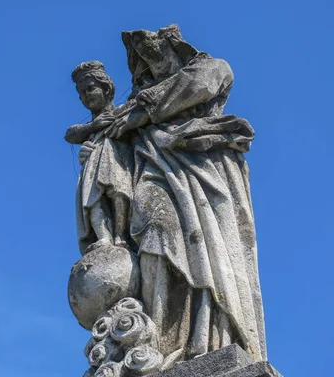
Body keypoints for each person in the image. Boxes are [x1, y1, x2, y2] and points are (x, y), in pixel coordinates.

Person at [106, 25, 266, 362]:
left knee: (210, 255)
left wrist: (144, 112)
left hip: (205, 177)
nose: (150, 69)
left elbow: (204, 82)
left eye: (153, 56)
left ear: (172, 48)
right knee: (154, 232)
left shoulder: (211, 68)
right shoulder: (133, 109)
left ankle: (207, 338)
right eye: (143, 65)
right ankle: (156, 335)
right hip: (154, 168)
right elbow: (110, 146)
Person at [65, 61, 135, 255]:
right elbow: (70, 134)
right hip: (93, 167)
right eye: (81, 94)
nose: (85, 96)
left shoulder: (122, 112)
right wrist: (94, 127)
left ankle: (121, 234)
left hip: (119, 163)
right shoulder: (91, 127)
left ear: (106, 88)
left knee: (119, 191)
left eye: (90, 89)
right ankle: (104, 236)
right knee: (93, 199)